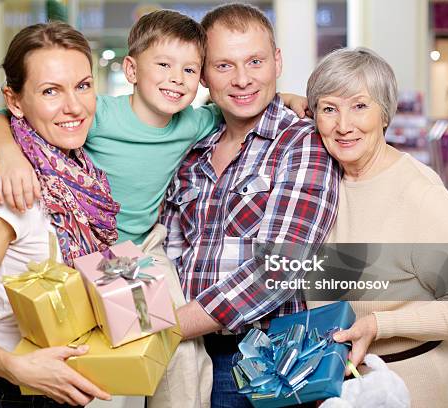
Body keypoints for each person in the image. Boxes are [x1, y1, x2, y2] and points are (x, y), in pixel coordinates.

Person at [0, 10, 310, 408]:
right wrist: (7, 152)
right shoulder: (93, 113)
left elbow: (245, 107)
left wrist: (286, 98)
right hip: (88, 248)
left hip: (146, 247)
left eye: (189, 69)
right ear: (131, 70)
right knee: (92, 346)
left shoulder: (197, 123)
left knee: (182, 348)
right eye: (164, 65)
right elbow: (0, 117)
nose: (176, 78)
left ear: (200, 78)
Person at [160, 4, 339, 407]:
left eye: (254, 61)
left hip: (263, 359)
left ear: (276, 61)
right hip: (184, 354)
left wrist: (164, 327)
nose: (242, 80)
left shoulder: (303, 141)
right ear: (204, 74)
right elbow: (169, 252)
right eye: (223, 66)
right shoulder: (191, 149)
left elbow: (280, 267)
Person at [0, 22, 119, 407]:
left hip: (54, 386)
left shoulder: (78, 172)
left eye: (83, 86)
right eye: (50, 91)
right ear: (14, 101)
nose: (74, 106)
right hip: (0, 391)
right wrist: (16, 367)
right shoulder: (4, 189)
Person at [305, 47, 448, 408]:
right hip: (338, 389)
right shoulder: (321, 178)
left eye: (360, 106)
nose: (344, 125)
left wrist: (380, 324)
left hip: (410, 388)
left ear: (385, 113)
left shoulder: (419, 193)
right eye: (330, 109)